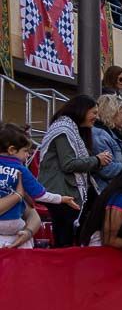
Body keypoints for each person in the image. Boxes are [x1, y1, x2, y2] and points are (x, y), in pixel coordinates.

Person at [37, 95, 112, 247]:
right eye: (94, 113)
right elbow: (68, 164)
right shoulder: (64, 130)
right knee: (64, 240)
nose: (96, 118)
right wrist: (97, 160)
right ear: (81, 111)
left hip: (68, 190)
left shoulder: (73, 130)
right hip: (61, 192)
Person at [0, 125, 78, 248]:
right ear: (12, 150)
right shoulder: (20, 169)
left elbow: (32, 213)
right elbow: (40, 194)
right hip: (14, 224)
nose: (28, 155)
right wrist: (61, 199)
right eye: (25, 151)